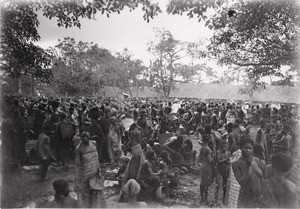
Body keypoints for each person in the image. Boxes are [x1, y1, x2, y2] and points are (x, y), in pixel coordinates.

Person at [74, 128, 106, 208]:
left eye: (86, 135)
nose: (85, 138)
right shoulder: (78, 149)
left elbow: (96, 158)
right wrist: (77, 181)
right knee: (86, 197)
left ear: (89, 135)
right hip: (85, 176)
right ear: (80, 137)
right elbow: (77, 165)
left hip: (95, 174)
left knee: (97, 196)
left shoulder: (94, 143)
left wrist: (99, 170)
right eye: (83, 136)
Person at [232, 135, 264, 208]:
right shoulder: (236, 163)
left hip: (257, 196)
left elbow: (261, 177)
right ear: (240, 148)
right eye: (245, 147)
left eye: (250, 148)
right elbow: (241, 182)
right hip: (245, 196)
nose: (248, 150)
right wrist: (247, 166)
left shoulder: (256, 160)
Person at [198, 134, 214, 205]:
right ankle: (206, 200)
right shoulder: (208, 149)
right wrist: (213, 157)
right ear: (209, 140)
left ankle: (201, 198)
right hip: (207, 167)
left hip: (202, 166)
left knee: (202, 182)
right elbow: (209, 160)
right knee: (206, 183)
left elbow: (199, 159)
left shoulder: (202, 148)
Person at [214, 140, 231, 205]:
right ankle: (216, 200)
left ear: (227, 147)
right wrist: (226, 159)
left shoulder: (228, 153)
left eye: (225, 146)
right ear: (221, 147)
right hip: (219, 170)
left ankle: (223, 199)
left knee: (225, 185)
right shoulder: (218, 152)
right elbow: (218, 161)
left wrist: (227, 161)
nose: (224, 147)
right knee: (217, 185)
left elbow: (229, 162)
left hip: (225, 170)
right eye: (223, 146)